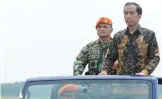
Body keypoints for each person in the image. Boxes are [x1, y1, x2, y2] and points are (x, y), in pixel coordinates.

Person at [100, 2, 160, 75]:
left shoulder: (149, 35)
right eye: (125, 13)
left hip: (141, 81)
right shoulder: (118, 36)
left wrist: (145, 72)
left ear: (139, 16)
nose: (128, 16)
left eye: (131, 13)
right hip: (120, 82)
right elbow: (109, 57)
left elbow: (155, 57)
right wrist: (104, 71)